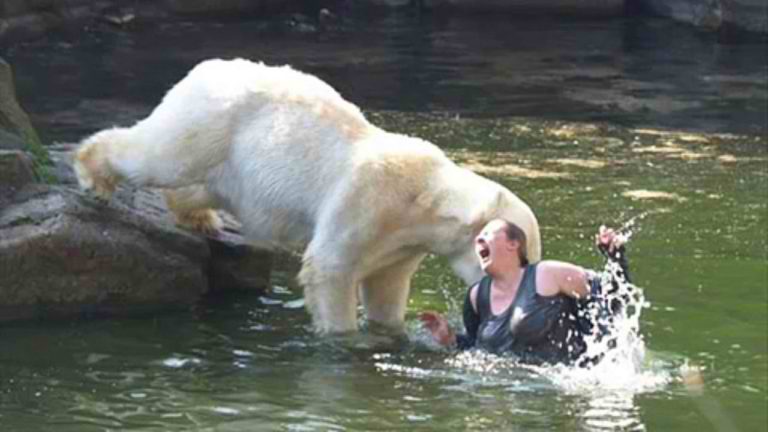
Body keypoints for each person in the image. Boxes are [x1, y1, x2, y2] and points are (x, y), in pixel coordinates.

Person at [420, 219, 632, 365]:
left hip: (568, 386)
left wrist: (615, 257)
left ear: (514, 244)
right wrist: (450, 339)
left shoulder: (548, 274)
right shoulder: (476, 296)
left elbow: (614, 296)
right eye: (477, 239)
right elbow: (476, 349)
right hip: (511, 394)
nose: (478, 241)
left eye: (486, 234)